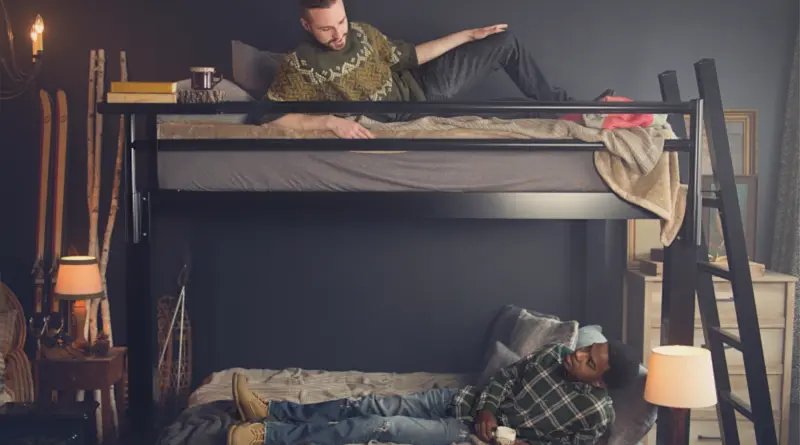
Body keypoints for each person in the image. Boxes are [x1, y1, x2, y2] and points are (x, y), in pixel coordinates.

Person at [264, 0, 613, 139]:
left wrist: (466, 37)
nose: (339, 34)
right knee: (500, 114)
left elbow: (412, 56)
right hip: (396, 118)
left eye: (341, 20)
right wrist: (330, 122)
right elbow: (270, 118)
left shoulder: (362, 33)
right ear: (307, 26)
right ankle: (565, 119)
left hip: (424, 87)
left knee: (506, 42)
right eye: (327, 29)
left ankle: (570, 107)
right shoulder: (298, 64)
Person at [226, 340, 641, 445]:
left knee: (379, 423)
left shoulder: (596, 416)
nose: (580, 355)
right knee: (366, 400)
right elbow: (504, 379)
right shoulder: (555, 353)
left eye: (590, 360)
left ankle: (271, 437)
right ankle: (274, 410)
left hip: (467, 436)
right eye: (588, 348)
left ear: (600, 381)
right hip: (461, 401)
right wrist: (491, 407)